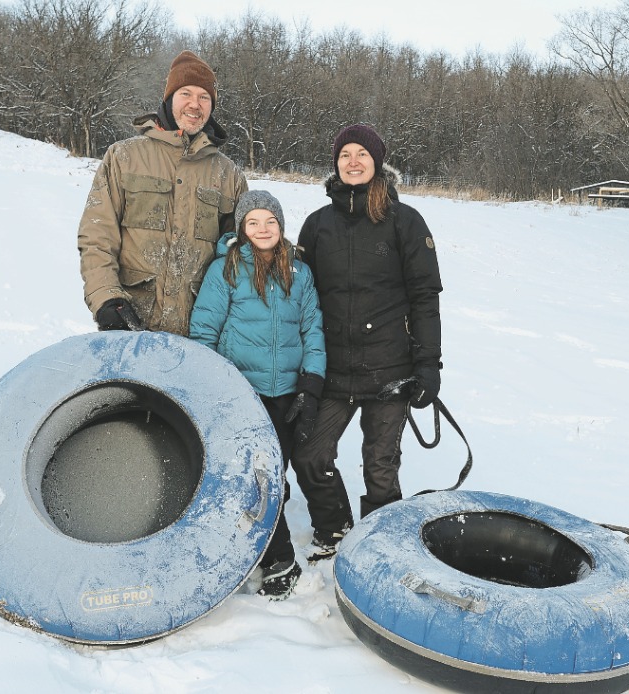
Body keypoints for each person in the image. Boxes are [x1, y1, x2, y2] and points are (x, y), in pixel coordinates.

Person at [292, 124, 443, 563]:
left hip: (390, 371)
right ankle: (335, 532)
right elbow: (300, 298)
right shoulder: (317, 225)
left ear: (377, 162)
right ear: (335, 163)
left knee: (380, 466)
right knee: (310, 456)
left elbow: (424, 298)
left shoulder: (406, 221)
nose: (353, 161)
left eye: (362, 153)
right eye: (345, 155)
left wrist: (428, 365)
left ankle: (378, 549)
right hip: (333, 371)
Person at [189, 190, 326, 600]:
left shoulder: (300, 273)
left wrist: (311, 386)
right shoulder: (225, 271)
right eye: (253, 223)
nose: (262, 229)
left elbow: (313, 332)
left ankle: (264, 545)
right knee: (254, 475)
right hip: (241, 394)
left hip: (286, 393)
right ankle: (278, 559)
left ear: (281, 226)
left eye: (270, 221)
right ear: (242, 230)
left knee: (275, 476)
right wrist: (215, 389)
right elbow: (204, 333)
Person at [78, 50, 248, 335]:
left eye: (204, 97)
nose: (195, 105)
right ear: (169, 98)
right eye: (186, 94)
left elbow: (241, 257)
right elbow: (97, 234)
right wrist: (106, 296)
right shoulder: (124, 157)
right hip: (130, 324)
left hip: (199, 332)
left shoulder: (229, 175)